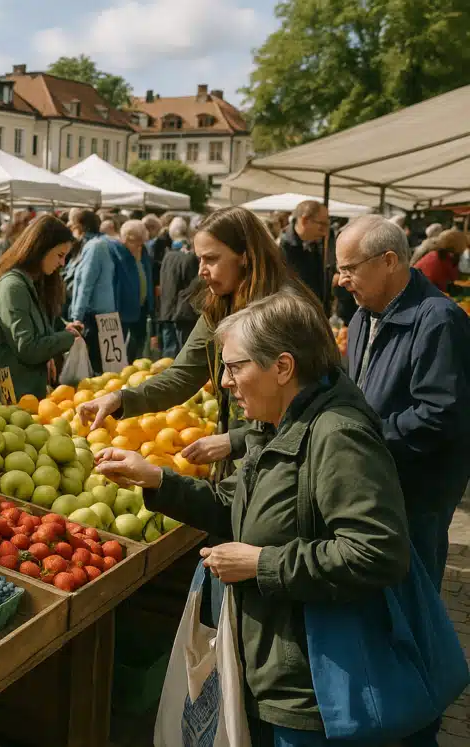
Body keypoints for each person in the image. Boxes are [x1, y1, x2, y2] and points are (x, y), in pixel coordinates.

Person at [95, 291, 410, 747]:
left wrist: (261, 564)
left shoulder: (338, 435)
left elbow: (378, 552)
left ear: (282, 368)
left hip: (311, 686)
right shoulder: (279, 423)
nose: (224, 382)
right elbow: (239, 506)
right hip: (272, 666)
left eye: (235, 366)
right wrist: (158, 481)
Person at [79, 207, 319, 470]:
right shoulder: (220, 305)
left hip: (283, 464)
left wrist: (235, 440)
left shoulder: (288, 312)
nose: (201, 271)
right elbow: (183, 374)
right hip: (243, 463)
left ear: (246, 257)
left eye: (211, 259)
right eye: (200, 259)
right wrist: (120, 399)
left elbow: (308, 408)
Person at [336, 215, 470, 590]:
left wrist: (364, 434)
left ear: (389, 260)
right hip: (376, 477)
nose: (341, 280)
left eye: (349, 269)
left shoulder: (440, 321)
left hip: (418, 491)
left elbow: (441, 414)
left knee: (415, 598)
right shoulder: (363, 315)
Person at [0, 215, 84, 400]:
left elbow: (42, 323)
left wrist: (64, 328)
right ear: (40, 248)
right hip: (9, 395)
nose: (62, 263)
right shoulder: (13, 286)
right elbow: (28, 348)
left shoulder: (32, 283)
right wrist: (68, 337)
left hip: (25, 392)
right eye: (60, 255)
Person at [70, 219, 153, 367]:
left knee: (115, 362)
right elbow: (85, 283)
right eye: (136, 242)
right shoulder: (102, 248)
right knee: (101, 362)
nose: (139, 247)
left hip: (118, 314)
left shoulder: (128, 251)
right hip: (103, 315)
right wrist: (78, 316)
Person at [156, 216, 199, 358]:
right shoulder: (190, 257)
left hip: (167, 312)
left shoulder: (167, 256)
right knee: (181, 357)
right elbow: (194, 287)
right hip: (183, 315)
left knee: (168, 358)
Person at [280, 200, 330, 301]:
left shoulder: (314, 244)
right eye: (322, 225)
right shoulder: (280, 249)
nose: (325, 232)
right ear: (304, 221)